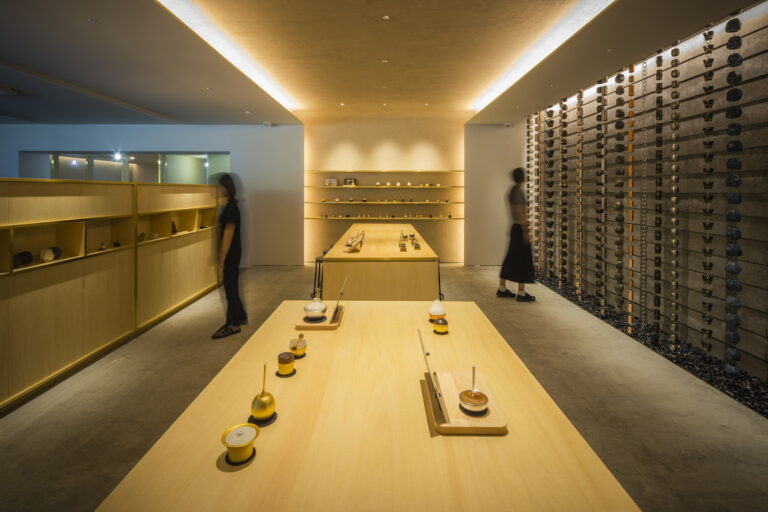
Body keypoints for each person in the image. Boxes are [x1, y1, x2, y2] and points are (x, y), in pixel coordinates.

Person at [212, 174, 247, 338]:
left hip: (231, 254)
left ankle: (233, 324)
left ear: (225, 187)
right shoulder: (231, 205)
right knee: (231, 287)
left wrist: (222, 256)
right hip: (233, 253)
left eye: (219, 186)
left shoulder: (231, 207)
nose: (217, 189)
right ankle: (239, 317)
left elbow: (229, 231)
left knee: (230, 289)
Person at [497, 167, 536, 302]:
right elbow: (521, 213)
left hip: (514, 227)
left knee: (510, 258)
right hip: (520, 228)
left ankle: (502, 288)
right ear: (522, 177)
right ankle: (521, 292)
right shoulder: (519, 192)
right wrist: (526, 232)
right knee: (524, 260)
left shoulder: (511, 191)